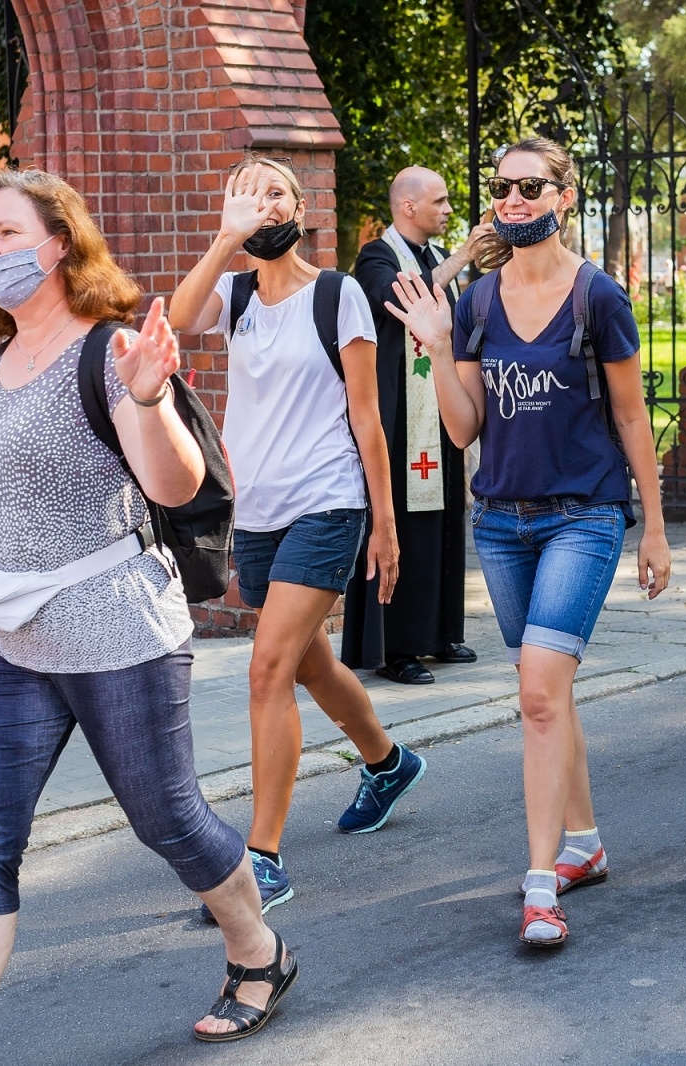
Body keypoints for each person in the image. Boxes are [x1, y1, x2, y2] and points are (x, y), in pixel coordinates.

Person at [0, 169, 294, 1063]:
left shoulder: (110, 350)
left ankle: (257, 949)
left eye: (7, 234)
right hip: (11, 638)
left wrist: (151, 396)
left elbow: (174, 486)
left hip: (115, 627)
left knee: (165, 819)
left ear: (59, 243)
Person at [385, 136, 672, 947]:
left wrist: (653, 525)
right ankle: (585, 842)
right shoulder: (474, 304)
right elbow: (466, 424)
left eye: (530, 188)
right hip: (502, 525)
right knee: (551, 693)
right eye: (503, 189)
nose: (513, 201)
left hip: (582, 515)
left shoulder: (598, 297)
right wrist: (440, 350)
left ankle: (541, 886)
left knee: (539, 694)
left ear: (564, 197)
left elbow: (628, 414)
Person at [168, 157, 424, 915]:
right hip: (258, 513)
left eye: (273, 189)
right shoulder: (235, 292)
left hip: (328, 501)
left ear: (300, 207)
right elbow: (178, 320)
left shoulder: (338, 295)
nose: (261, 202)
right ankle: (387, 761)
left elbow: (368, 418)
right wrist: (225, 238)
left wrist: (385, 522)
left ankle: (262, 855)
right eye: (245, 193)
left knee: (267, 669)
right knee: (306, 663)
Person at [343, 166, 488, 684]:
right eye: (441, 201)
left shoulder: (427, 256)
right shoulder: (376, 256)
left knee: (442, 523)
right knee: (399, 524)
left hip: (434, 408)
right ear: (408, 206)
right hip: (397, 418)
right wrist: (461, 260)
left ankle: (438, 632)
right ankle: (395, 647)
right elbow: (401, 300)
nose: (448, 210)